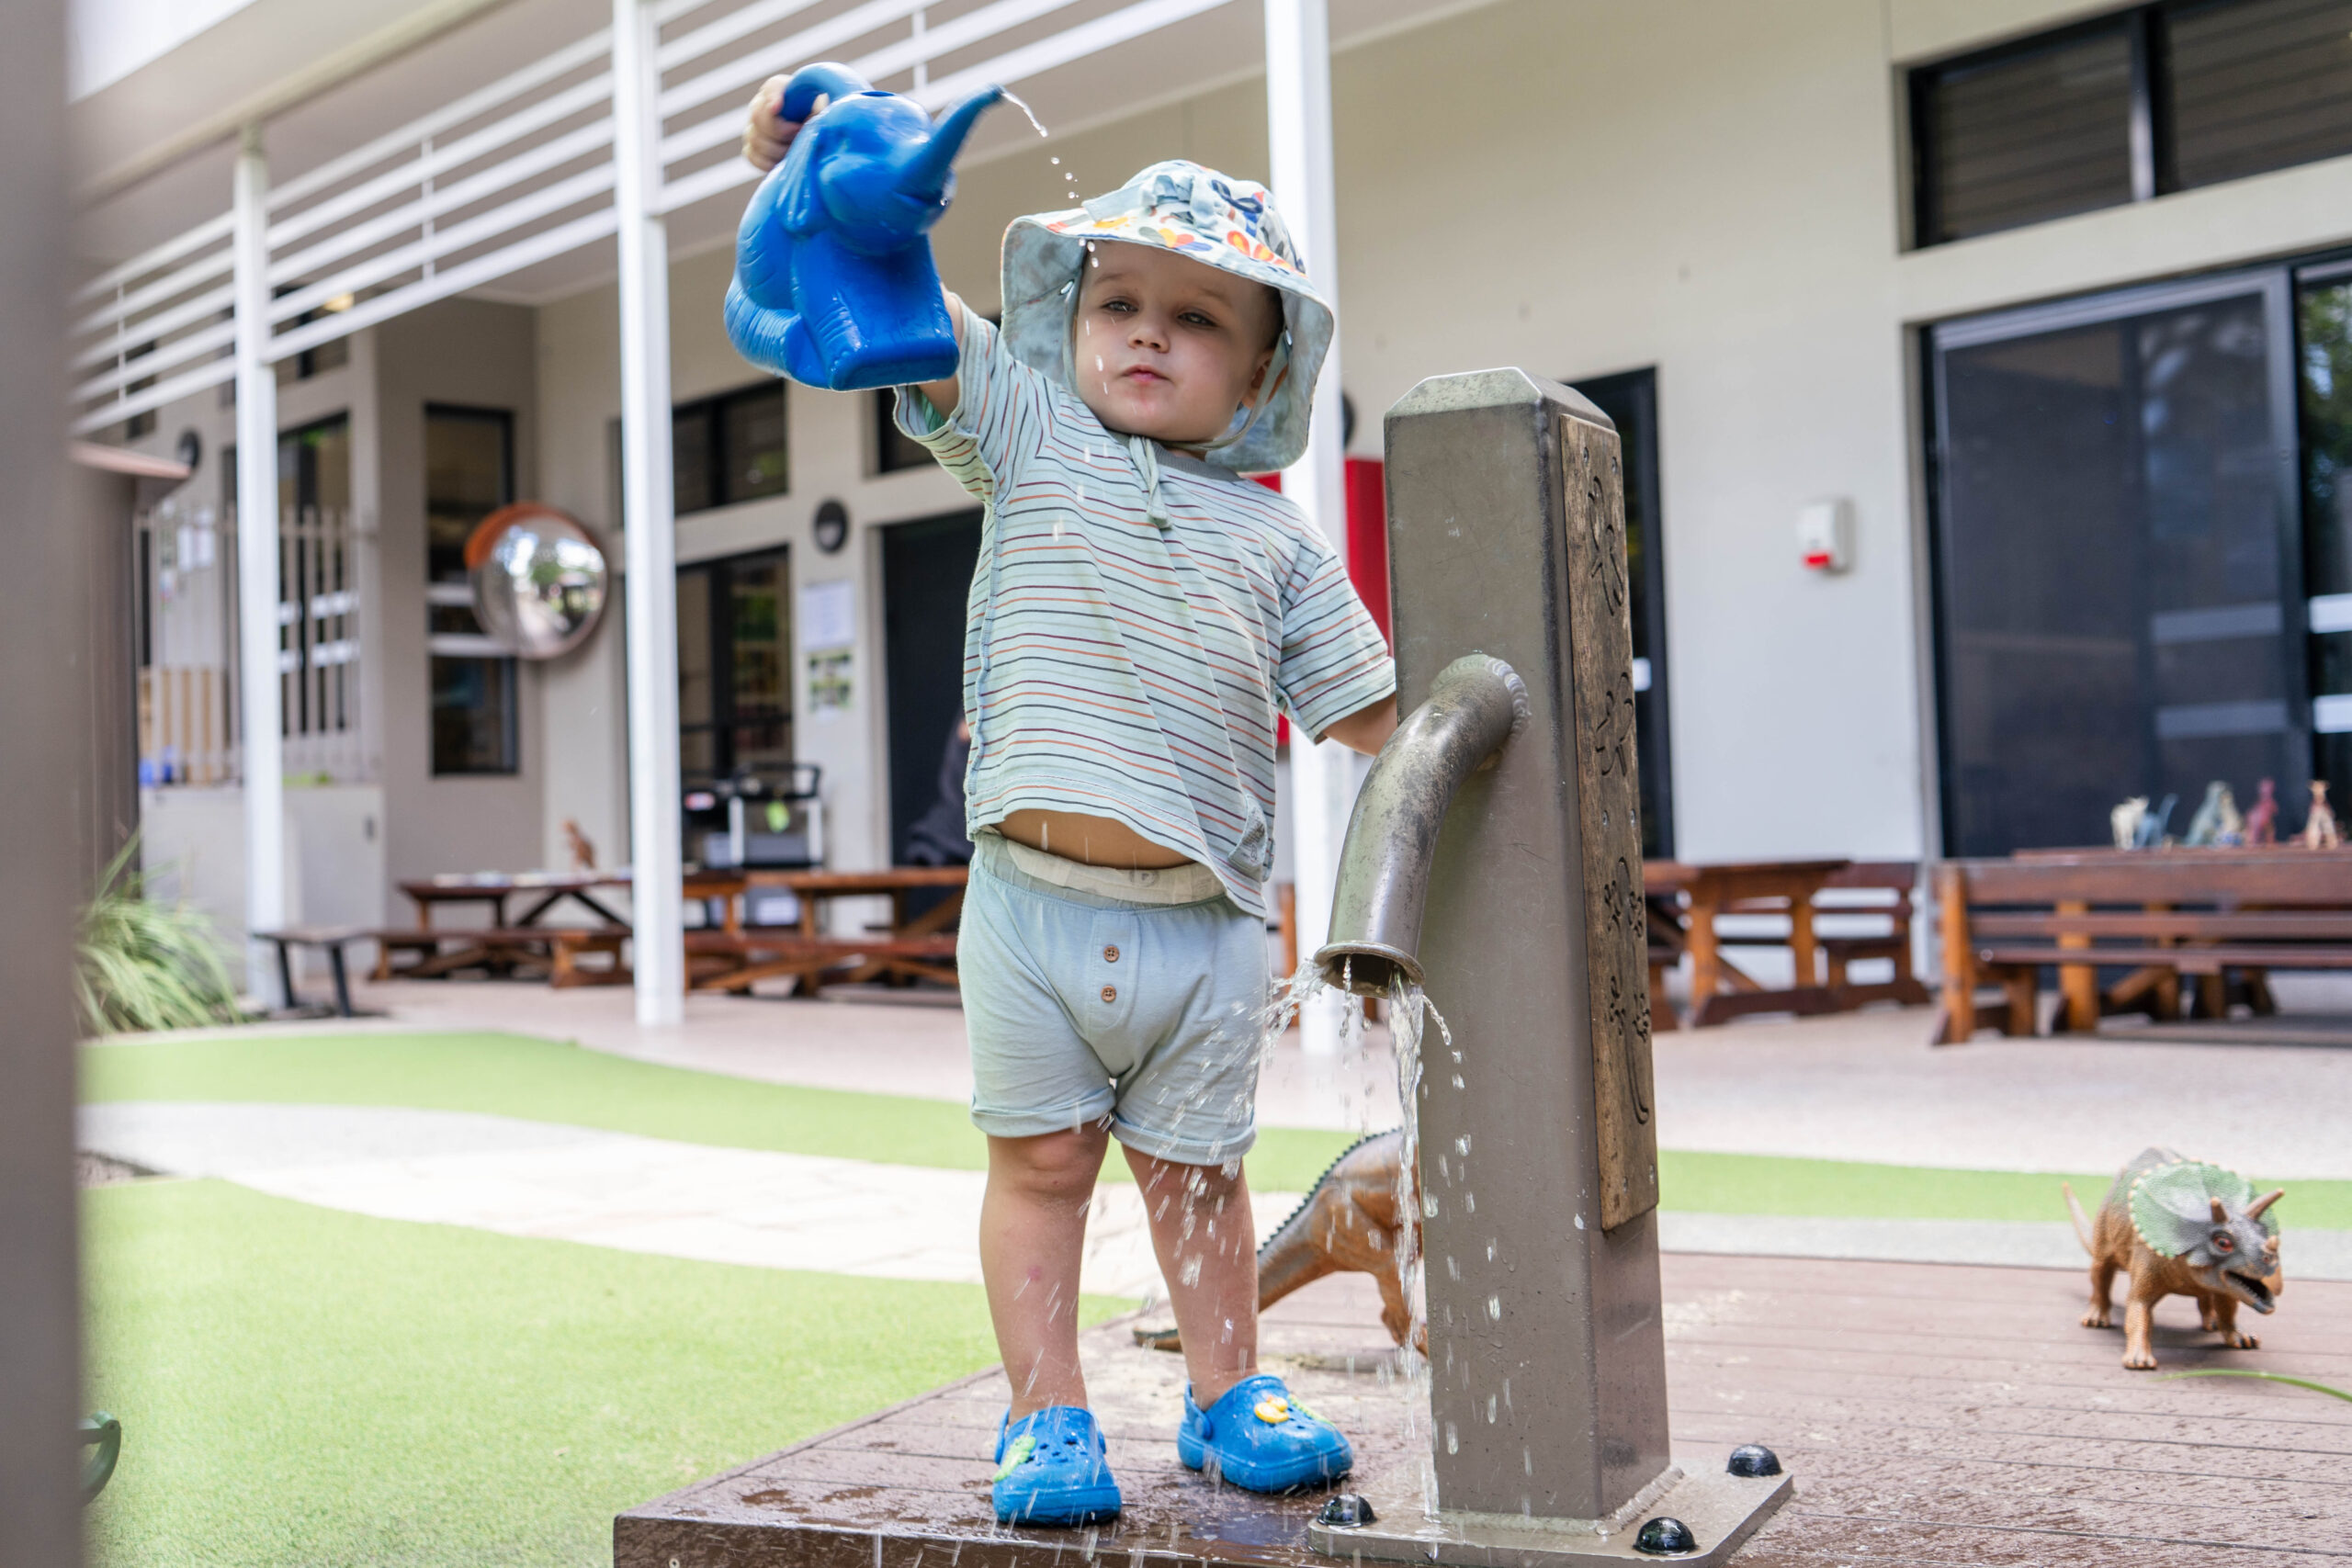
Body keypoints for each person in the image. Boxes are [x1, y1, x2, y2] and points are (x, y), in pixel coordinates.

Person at [743, 84, 1400, 1528]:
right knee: (1041, 1171)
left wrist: (1487, 715)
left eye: (1199, 316)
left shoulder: (1279, 539)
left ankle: (1227, 1396)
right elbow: (894, 297)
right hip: (1033, 912)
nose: (1149, 332)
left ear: (1261, 373)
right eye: (1119, 302)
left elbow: (1371, 714)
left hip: (1206, 923)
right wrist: (817, 174)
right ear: (1071, 324)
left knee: (1201, 1180)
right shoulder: (1028, 428)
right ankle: (1046, 1418)